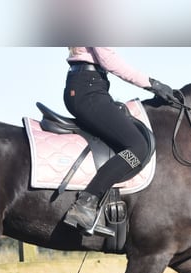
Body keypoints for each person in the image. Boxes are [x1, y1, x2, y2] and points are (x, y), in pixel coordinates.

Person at [63, 47, 177, 235]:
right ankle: (86, 203)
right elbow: (108, 60)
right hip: (89, 89)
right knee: (138, 148)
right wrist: (152, 83)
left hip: (89, 85)